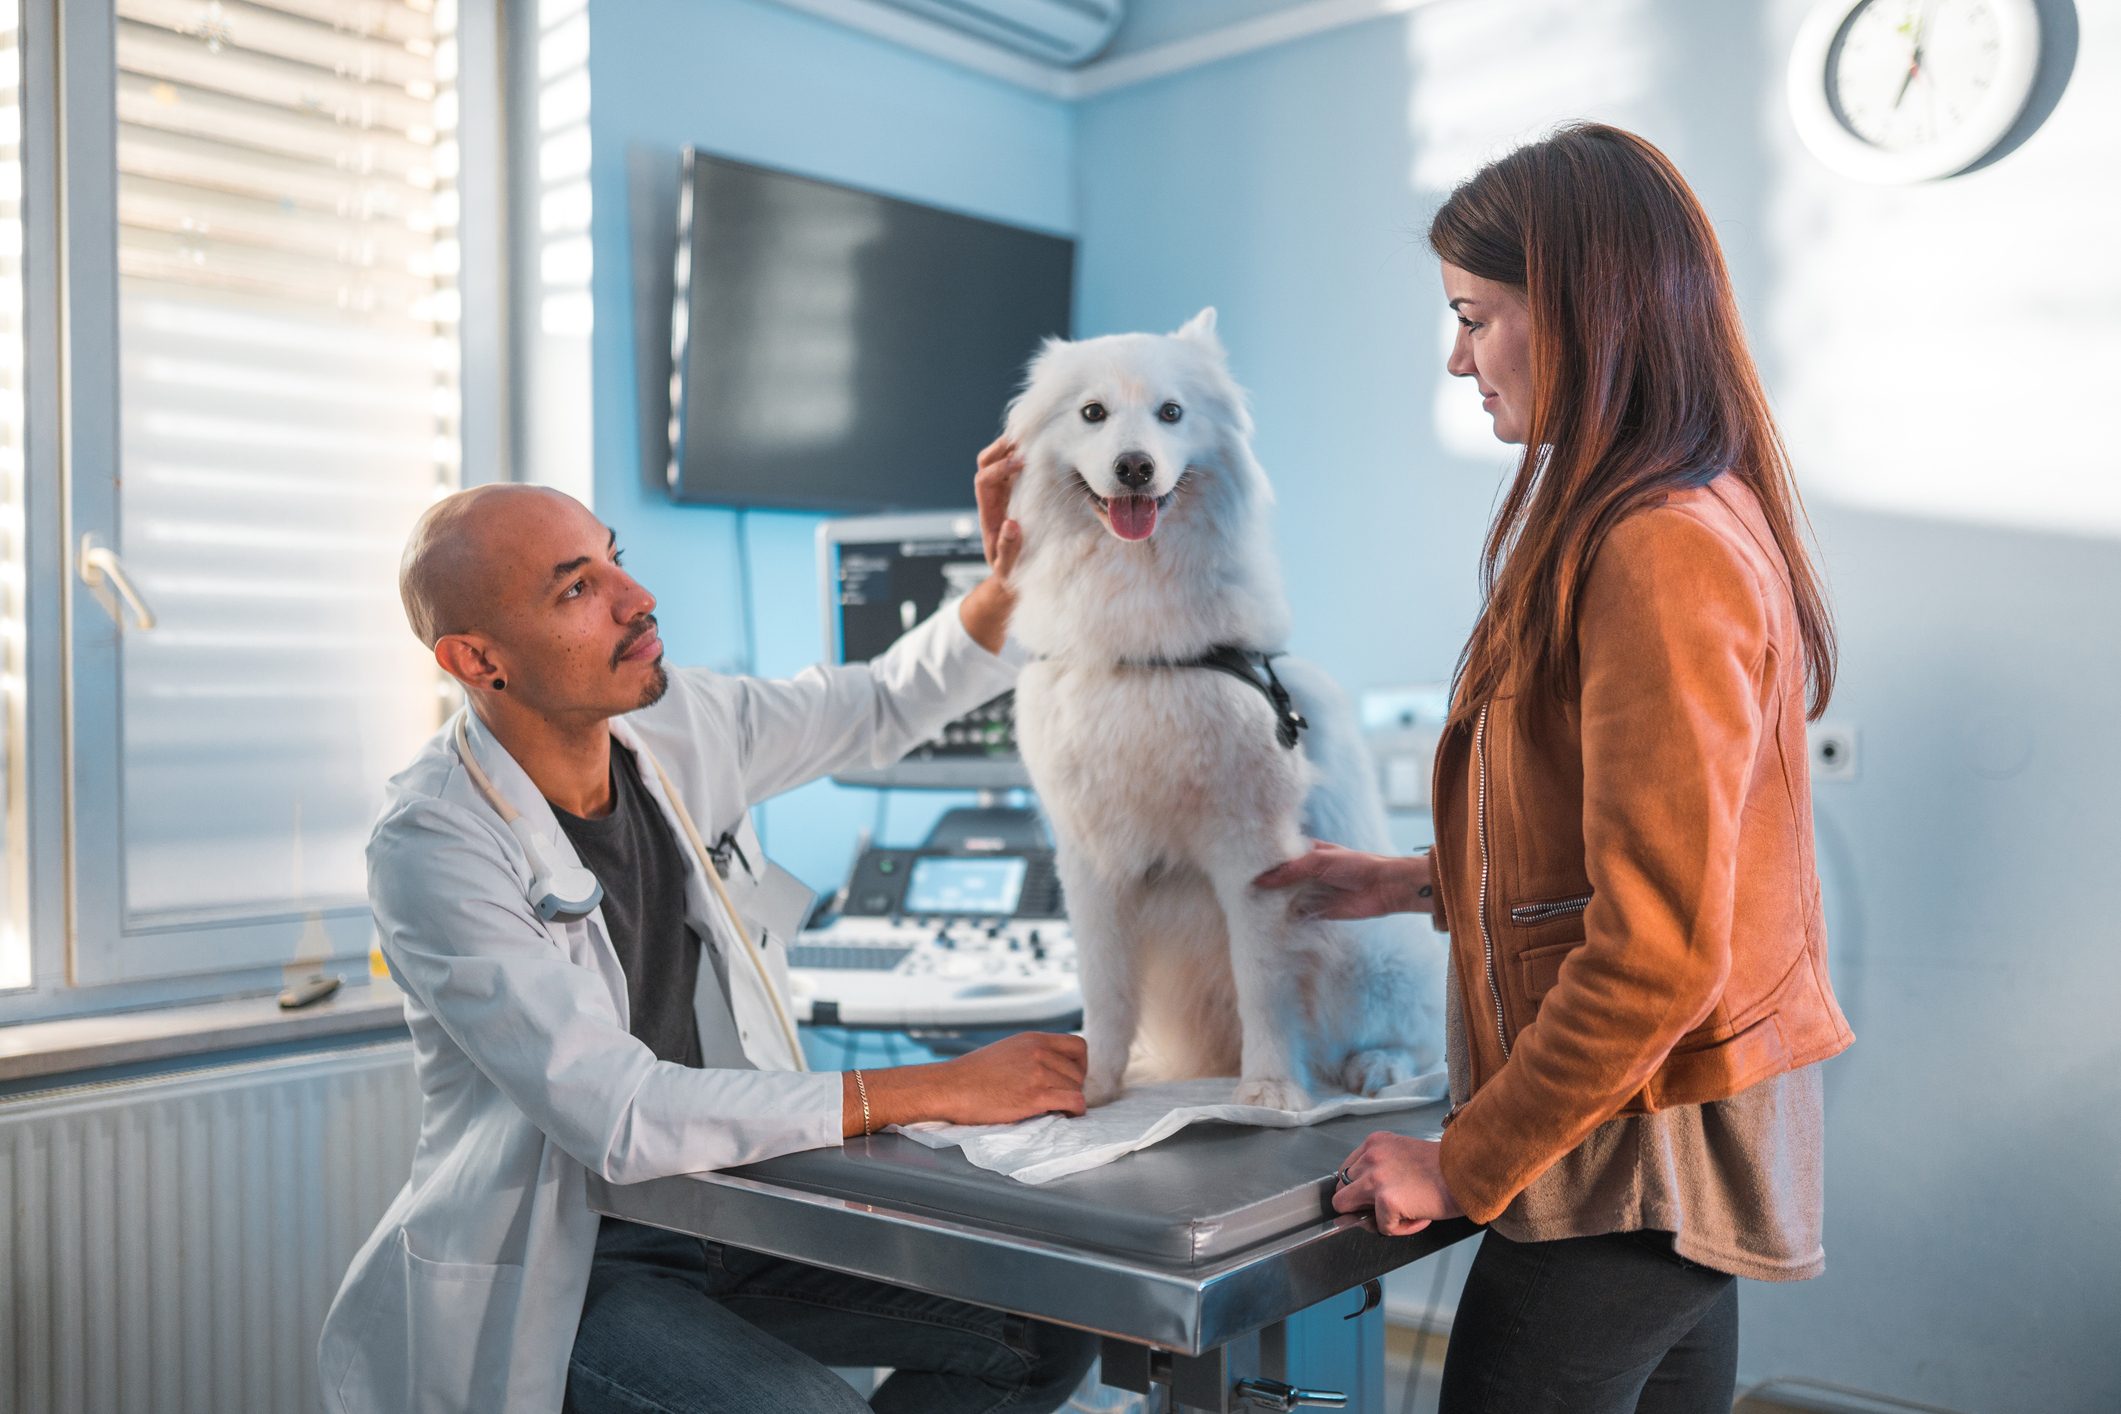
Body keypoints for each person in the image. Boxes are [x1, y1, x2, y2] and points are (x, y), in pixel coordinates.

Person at [1255, 122, 1854, 1413]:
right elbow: (1628, 853)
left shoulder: (1653, 543)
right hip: (1666, 1133)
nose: (1456, 355)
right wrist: (1417, 878)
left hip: (1634, 1145)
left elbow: (1655, 947)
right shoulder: (1676, 507)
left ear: (1582, 310)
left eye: (1476, 315)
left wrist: (1461, 1165)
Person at [318, 441, 1099, 1414]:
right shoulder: (434, 842)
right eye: (577, 588)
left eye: (612, 556)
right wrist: (939, 1085)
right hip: (574, 1270)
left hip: (730, 1212)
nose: (635, 596)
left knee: (1047, 1320)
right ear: (478, 661)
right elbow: (624, 1116)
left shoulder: (673, 721)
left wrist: (1008, 585)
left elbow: (877, 706)